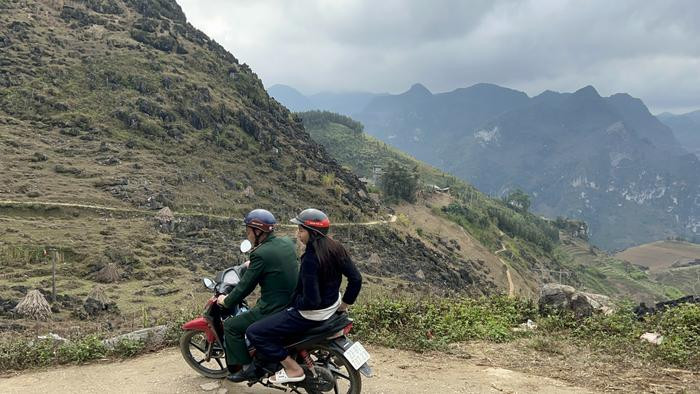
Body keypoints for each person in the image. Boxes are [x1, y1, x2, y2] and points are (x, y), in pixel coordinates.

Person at [245, 208, 363, 384]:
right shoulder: (335, 247)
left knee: (255, 332)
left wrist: (292, 304)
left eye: (301, 230)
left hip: (310, 314)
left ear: (313, 233)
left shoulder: (310, 258)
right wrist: (344, 304)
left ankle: (293, 368)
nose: (297, 234)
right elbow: (356, 278)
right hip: (331, 306)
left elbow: (311, 301)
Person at [217, 209, 298, 382]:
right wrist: (252, 263)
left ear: (258, 231)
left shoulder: (260, 254)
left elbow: (244, 288)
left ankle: (247, 369)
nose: (247, 234)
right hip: (293, 301)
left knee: (231, 325)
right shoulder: (287, 243)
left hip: (273, 307)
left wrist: (226, 301)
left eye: (248, 230)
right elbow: (275, 261)